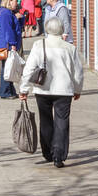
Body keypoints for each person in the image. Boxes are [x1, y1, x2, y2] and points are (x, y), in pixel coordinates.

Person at [19, 17, 85, 168]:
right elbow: (78, 72)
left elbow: (29, 69)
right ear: (61, 29)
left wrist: (23, 89)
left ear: (47, 29)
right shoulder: (70, 48)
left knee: (46, 120)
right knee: (62, 122)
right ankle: (58, 155)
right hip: (64, 90)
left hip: (43, 89)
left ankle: (48, 152)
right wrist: (77, 89)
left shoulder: (38, 45)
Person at [0, 0, 23, 99]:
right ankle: (5, 92)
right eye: (14, 1)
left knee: (9, 67)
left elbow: (17, 27)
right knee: (7, 68)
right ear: (9, 1)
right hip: (6, 44)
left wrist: (20, 18)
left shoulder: (8, 13)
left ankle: (11, 90)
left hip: (7, 43)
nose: (16, 3)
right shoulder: (6, 13)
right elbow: (7, 30)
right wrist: (12, 43)